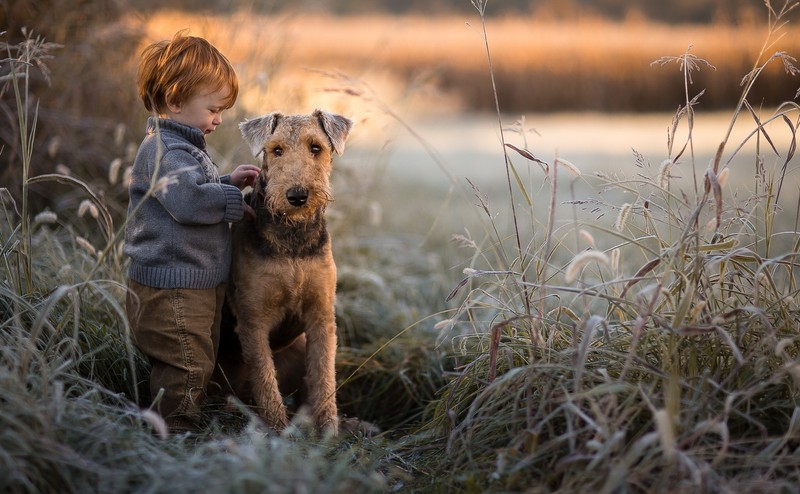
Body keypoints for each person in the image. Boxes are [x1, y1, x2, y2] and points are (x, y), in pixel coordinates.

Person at [124, 31, 260, 433]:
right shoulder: (162, 149)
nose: (219, 119)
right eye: (213, 108)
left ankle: (188, 416)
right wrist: (235, 203)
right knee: (186, 361)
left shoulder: (182, 145)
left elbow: (191, 190)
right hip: (172, 288)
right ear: (174, 100)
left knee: (200, 355)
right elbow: (185, 202)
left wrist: (226, 181)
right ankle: (174, 434)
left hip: (193, 281)